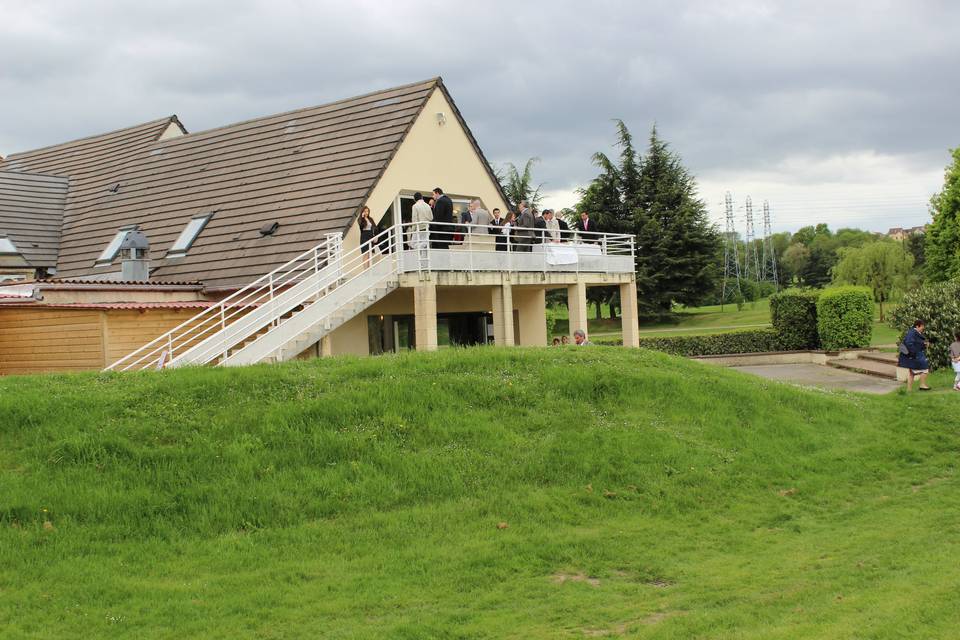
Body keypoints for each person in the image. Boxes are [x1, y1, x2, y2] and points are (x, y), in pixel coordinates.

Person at [898, 319, 931, 391]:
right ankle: (922, 385)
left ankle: (909, 390)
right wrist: (913, 354)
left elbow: (917, 343)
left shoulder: (915, 332)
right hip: (915, 355)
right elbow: (909, 343)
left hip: (913, 355)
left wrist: (924, 344)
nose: (923, 328)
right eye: (922, 326)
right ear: (917, 326)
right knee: (925, 369)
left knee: (912, 372)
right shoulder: (912, 333)